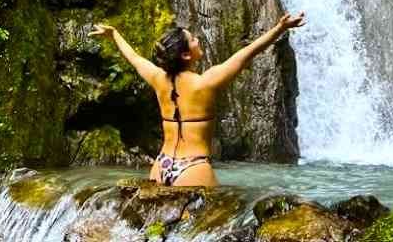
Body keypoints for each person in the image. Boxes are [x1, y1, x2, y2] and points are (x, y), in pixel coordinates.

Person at [88, 11, 306, 187]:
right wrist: (280, 28)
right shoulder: (205, 83)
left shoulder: (157, 79)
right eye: (193, 39)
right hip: (193, 169)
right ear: (185, 55)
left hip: (161, 165)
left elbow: (134, 58)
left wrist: (114, 34)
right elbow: (247, 53)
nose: (198, 39)